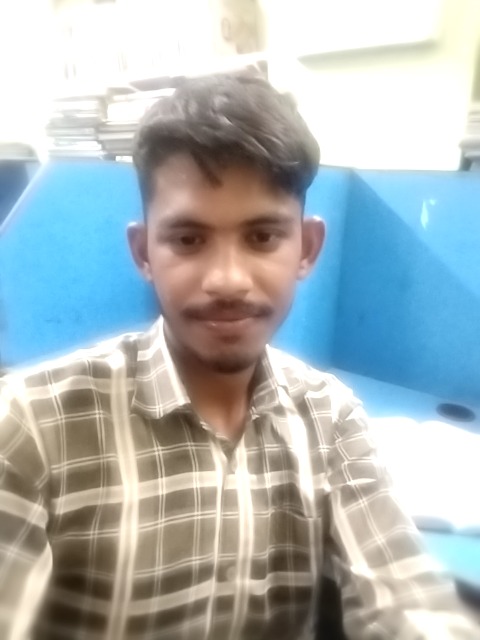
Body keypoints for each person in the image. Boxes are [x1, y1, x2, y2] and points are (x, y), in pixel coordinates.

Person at [0, 73, 477, 640]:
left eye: (262, 237)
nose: (227, 280)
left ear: (307, 248)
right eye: (188, 240)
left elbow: (408, 603)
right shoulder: (31, 425)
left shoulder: (331, 420)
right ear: (143, 252)